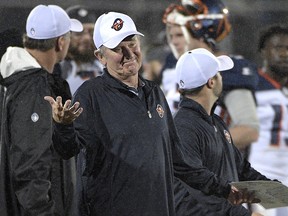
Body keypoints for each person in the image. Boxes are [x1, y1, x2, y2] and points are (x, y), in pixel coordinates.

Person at [44, 11, 258, 216]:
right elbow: (68, 150)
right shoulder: (91, 95)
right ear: (100, 56)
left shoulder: (154, 93)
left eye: (132, 44)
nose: (129, 54)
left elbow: (180, 162)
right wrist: (63, 126)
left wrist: (224, 189)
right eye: (118, 48)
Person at [0, 5, 83, 215]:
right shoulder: (32, 88)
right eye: (68, 36)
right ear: (60, 42)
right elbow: (30, 166)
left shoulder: (16, 81)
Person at [173, 48, 277, 216]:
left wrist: (276, 193)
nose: (223, 78)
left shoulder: (215, 122)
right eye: (219, 74)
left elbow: (241, 169)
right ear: (211, 82)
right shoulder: (183, 128)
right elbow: (196, 193)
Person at [162, 0, 260, 152]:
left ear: (201, 34)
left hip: (207, 165)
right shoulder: (170, 65)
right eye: (171, 35)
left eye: (180, 35)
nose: (174, 41)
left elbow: (248, 130)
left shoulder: (227, 69)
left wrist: (199, 146)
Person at [248, 24, 288, 216]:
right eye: (278, 48)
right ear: (264, 51)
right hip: (264, 175)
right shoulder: (252, 84)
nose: (285, 54)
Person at [54, 5, 103, 95]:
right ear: (65, 37)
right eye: (79, 33)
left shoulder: (108, 66)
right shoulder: (56, 70)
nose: (87, 38)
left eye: (91, 32)